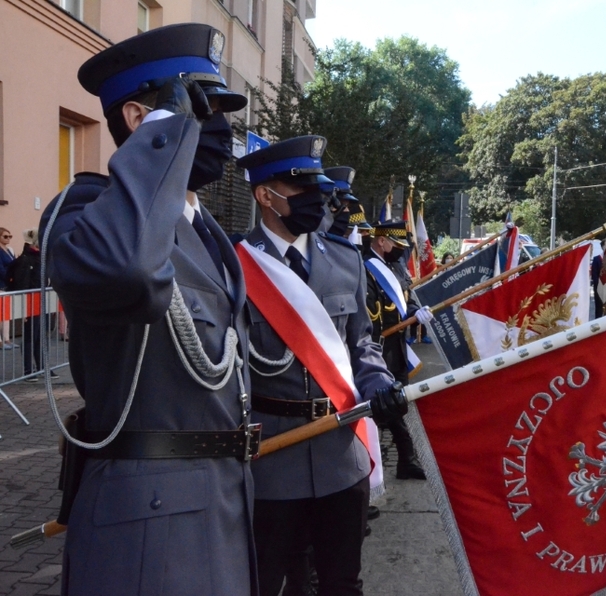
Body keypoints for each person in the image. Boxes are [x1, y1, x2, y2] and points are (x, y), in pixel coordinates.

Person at [39, 24, 259, 595]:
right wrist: (165, 134)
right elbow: (127, 268)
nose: (221, 128)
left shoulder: (208, 232)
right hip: (148, 523)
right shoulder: (84, 214)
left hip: (223, 501)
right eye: (201, 107)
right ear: (140, 119)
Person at [236, 137, 406, 596]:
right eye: (299, 188)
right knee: (266, 582)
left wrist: (378, 380)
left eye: (317, 186)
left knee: (341, 584)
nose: (315, 199)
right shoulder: (235, 266)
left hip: (338, 452)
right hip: (272, 455)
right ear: (264, 196)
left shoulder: (345, 260)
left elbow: (361, 344)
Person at [365, 221, 432, 480]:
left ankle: (402, 458)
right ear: (382, 241)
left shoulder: (396, 267)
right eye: (396, 244)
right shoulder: (366, 268)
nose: (399, 250)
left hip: (397, 349)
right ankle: (404, 457)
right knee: (387, 402)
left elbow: (408, 297)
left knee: (398, 402)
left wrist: (417, 312)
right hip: (377, 348)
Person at [6, 229, 57, 380]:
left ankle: (42, 367)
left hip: (41, 303)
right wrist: (24, 310)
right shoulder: (25, 261)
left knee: (40, 337)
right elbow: (23, 285)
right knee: (30, 338)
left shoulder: (40, 259)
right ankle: (29, 370)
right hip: (30, 305)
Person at [0, 227, 16, 348]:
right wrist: (9, 276)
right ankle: (1, 341)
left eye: (9, 236)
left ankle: (7, 339)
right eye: (5, 236)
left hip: (8, 285)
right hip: (1, 283)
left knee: (6, 314)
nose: (8, 239)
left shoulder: (9, 250)